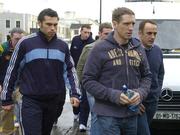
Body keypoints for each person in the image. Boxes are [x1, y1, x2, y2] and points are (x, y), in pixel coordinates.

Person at [0, 8, 80, 135]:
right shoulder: (25, 43)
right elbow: (12, 70)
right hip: (30, 101)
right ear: (39, 23)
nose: (53, 28)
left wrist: (75, 93)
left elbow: (70, 69)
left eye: (55, 24)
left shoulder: (62, 46)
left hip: (53, 101)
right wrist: (6, 98)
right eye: (49, 24)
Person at [82, 7, 152, 135]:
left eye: (133, 24)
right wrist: (114, 95)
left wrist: (140, 93)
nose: (131, 28)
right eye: (126, 24)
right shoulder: (100, 49)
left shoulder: (138, 48)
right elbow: (87, 80)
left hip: (131, 114)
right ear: (114, 24)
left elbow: (147, 76)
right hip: (107, 115)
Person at [77, 22, 113, 133]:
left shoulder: (114, 48)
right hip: (92, 87)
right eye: (106, 33)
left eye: (111, 33)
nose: (108, 36)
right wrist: (82, 83)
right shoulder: (90, 48)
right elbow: (80, 67)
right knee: (96, 114)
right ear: (99, 33)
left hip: (109, 87)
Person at [137, 20, 165, 135]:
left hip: (152, 102)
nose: (152, 37)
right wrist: (135, 102)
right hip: (138, 104)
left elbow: (160, 73)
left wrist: (157, 92)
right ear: (140, 33)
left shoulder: (158, 51)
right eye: (149, 33)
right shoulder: (133, 51)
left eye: (155, 34)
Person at [0, 27, 25, 134]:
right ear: (11, 37)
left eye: (21, 39)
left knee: (25, 112)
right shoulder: (3, 48)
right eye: (16, 39)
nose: (19, 41)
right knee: (6, 113)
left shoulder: (25, 48)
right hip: (5, 86)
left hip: (20, 86)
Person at [70, 24, 94, 121]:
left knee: (84, 96)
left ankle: (82, 116)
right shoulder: (75, 40)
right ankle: (76, 112)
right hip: (73, 71)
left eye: (89, 32)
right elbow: (70, 54)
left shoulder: (92, 43)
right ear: (81, 31)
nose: (87, 34)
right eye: (85, 32)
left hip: (85, 73)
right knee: (74, 92)